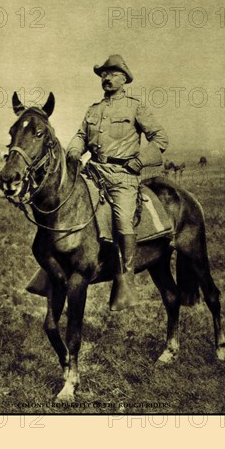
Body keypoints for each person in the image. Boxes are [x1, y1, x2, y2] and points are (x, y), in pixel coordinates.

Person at [66, 55, 168, 311]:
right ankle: (56, 267)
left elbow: (160, 139)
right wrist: (75, 149)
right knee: (66, 207)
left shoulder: (135, 108)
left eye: (112, 74)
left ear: (124, 79)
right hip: (94, 171)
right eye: (103, 74)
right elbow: (80, 135)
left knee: (122, 220)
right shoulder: (93, 110)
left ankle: (126, 278)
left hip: (123, 175)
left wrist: (141, 160)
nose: (107, 78)